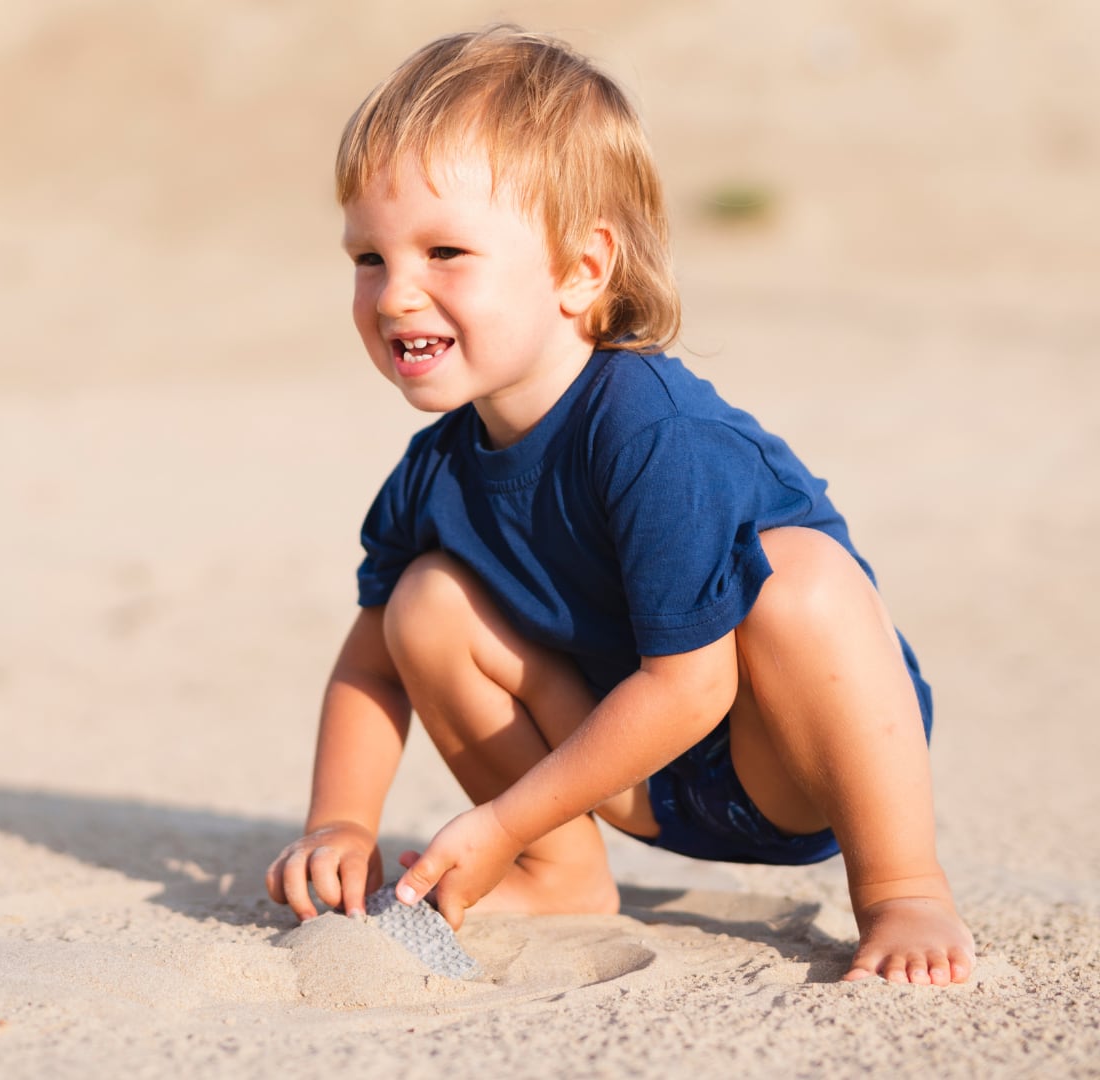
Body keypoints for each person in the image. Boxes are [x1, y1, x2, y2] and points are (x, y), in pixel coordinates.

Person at [263, 26, 975, 986]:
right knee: (421, 604)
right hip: (629, 769)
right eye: (367, 258)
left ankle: (904, 887)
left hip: (792, 754)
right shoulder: (435, 472)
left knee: (801, 580)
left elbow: (694, 685)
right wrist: (337, 823)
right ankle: (561, 875)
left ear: (581, 269)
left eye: (444, 250)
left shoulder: (653, 431)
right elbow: (372, 672)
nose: (396, 295)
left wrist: (503, 819)